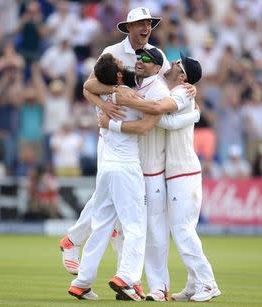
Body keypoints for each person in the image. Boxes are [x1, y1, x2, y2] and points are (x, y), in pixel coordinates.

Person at [59, 7, 169, 295]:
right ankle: (129, 278)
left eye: (149, 23)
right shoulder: (114, 56)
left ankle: (81, 277)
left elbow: (157, 92)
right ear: (128, 27)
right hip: (118, 151)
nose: (146, 28)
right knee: (134, 223)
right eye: (140, 23)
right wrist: (111, 103)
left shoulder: (153, 62)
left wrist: (113, 102)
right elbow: (90, 84)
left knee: (105, 218)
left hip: (118, 152)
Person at [103, 52, 221, 302]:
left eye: (178, 63)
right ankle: (178, 284)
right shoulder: (156, 86)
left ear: (183, 75)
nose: (173, 63)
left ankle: (199, 283)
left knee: (174, 230)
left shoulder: (179, 92)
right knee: (129, 229)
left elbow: (160, 117)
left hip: (175, 172)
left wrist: (195, 115)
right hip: (154, 171)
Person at [68, 53, 146, 301]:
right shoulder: (126, 95)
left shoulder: (100, 95)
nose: (125, 64)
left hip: (107, 169)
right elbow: (152, 112)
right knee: (135, 226)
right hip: (126, 168)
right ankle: (127, 276)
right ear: (119, 75)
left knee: (101, 227)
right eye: (121, 65)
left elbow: (88, 85)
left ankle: (82, 282)